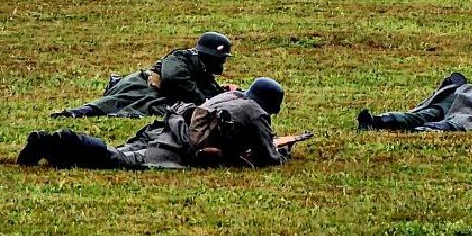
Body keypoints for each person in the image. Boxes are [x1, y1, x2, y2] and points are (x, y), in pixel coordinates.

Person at [19, 79, 290, 170]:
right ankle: (58, 141)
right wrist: (283, 151)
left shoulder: (231, 95)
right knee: (118, 161)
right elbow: (269, 158)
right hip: (176, 145)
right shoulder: (256, 113)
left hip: (166, 127)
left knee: (120, 152)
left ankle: (56, 152)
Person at [51, 31, 232, 119]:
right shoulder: (182, 57)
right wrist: (201, 100)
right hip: (141, 86)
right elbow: (173, 78)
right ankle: (72, 114)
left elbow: (212, 95)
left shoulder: (203, 71)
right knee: (110, 104)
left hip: (157, 96)